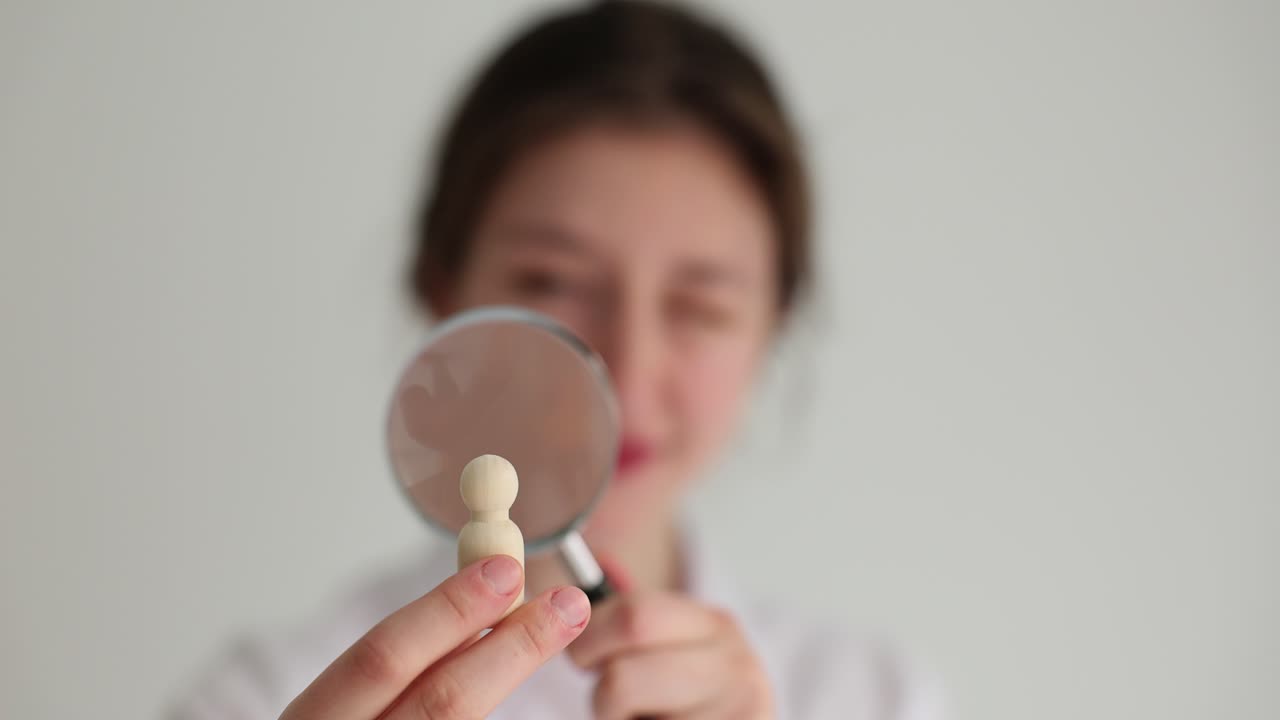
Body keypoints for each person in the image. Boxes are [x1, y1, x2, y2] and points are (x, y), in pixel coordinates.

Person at [170, 2, 944, 718]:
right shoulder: (266, 698)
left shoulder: (879, 699)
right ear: (444, 296)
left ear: (771, 330)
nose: (626, 374)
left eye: (701, 307)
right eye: (553, 283)